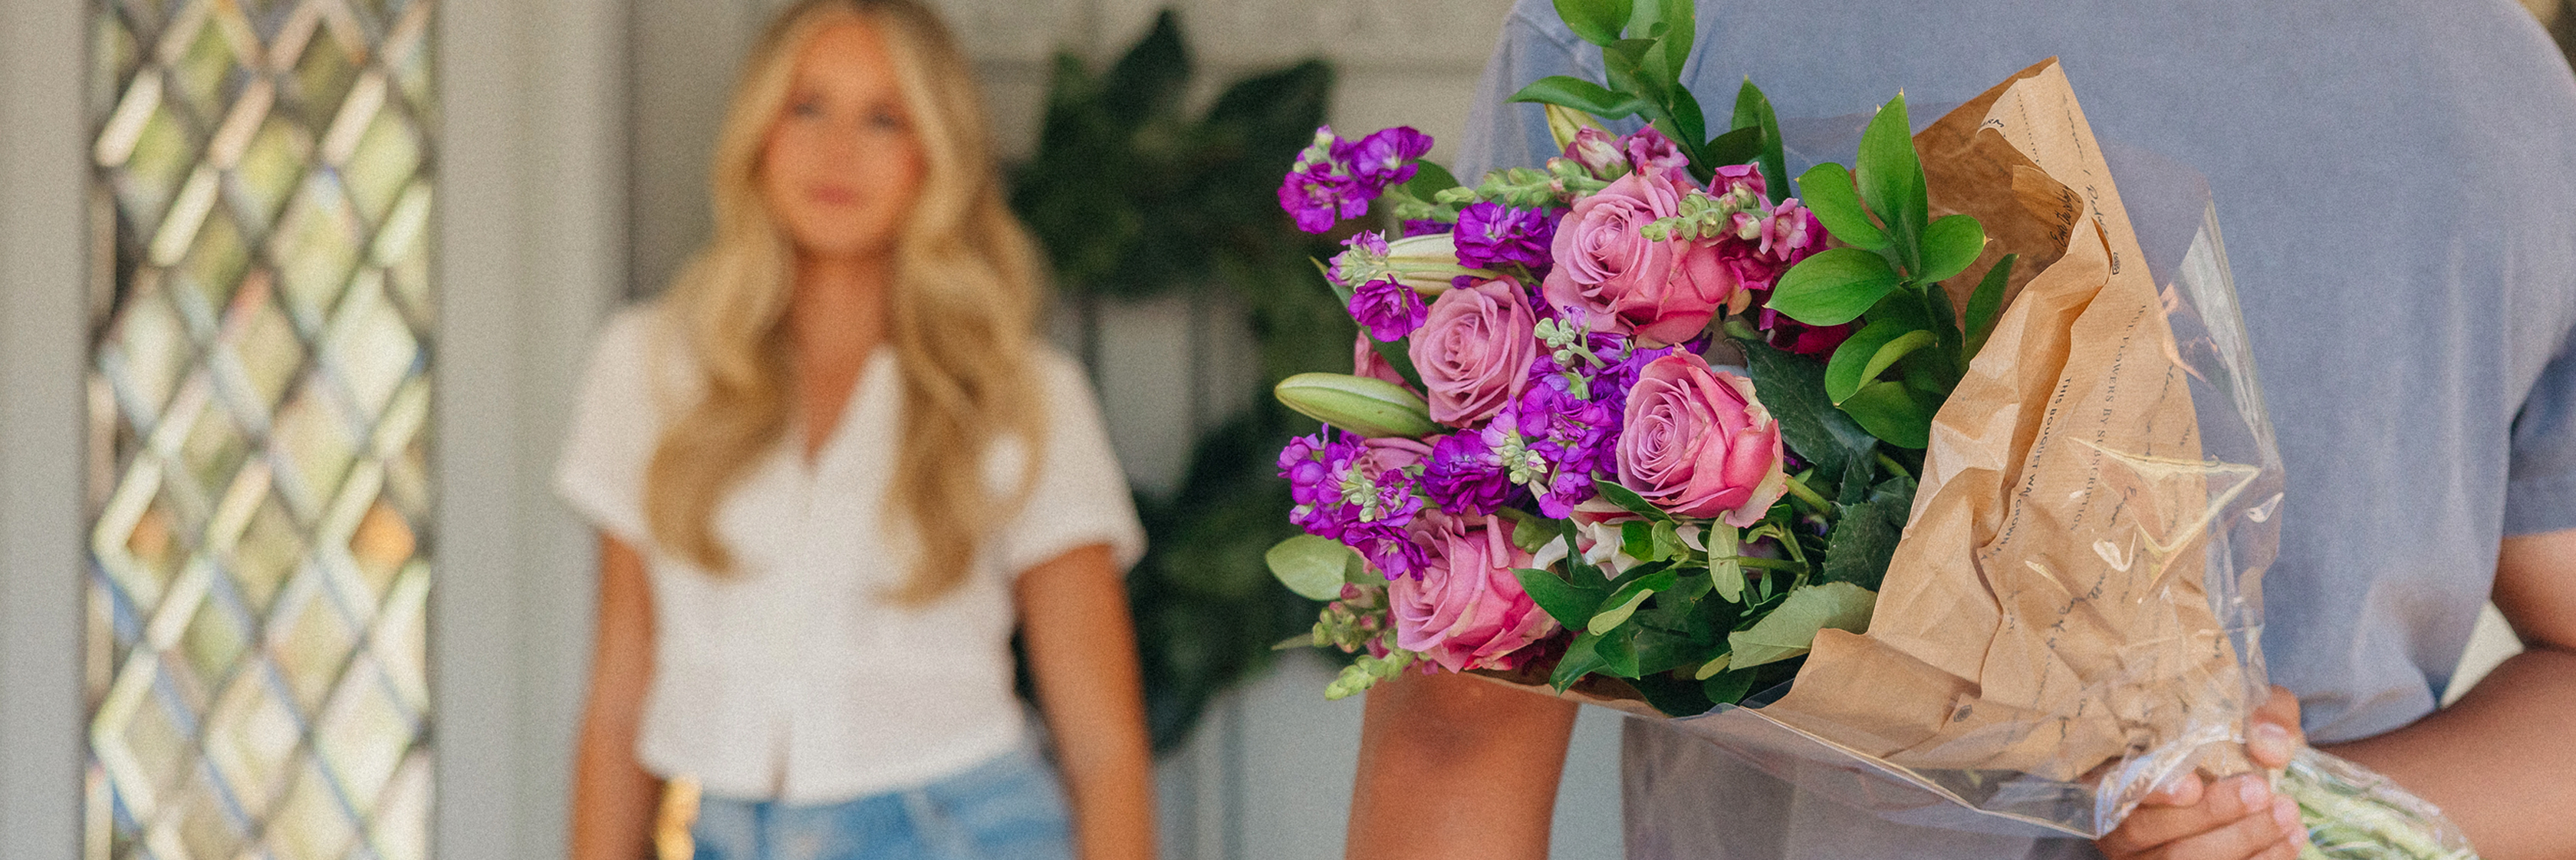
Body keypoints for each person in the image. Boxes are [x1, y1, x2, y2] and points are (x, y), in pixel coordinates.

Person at [1348, 1, 2576, 858]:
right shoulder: (2494, 86)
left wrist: (2250, 814)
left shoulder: (1660, 25)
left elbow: (1462, 721)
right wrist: (2293, 818)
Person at [555, 2, 1156, 858]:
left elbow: (1103, 745)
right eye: (807, 107)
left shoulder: (1022, 394)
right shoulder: (646, 365)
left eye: (884, 118)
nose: (837, 151)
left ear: (935, 156)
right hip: (714, 832)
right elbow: (618, 704)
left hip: (956, 829)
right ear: (758, 132)